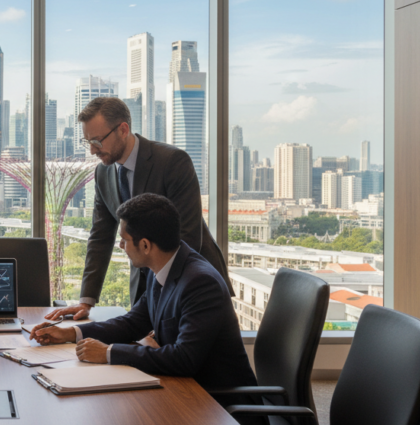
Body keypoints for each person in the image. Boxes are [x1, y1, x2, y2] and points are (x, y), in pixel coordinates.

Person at [30, 194, 261, 423]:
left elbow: (184, 358)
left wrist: (108, 352)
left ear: (145, 245)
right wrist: (70, 334)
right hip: (185, 392)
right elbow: (132, 323)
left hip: (219, 407)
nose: (120, 246)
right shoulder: (160, 269)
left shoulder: (200, 283)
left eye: (123, 239)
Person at [47, 97, 230, 322]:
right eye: (88, 142)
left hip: (192, 283)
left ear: (123, 129)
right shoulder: (103, 173)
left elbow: (187, 236)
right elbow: (100, 236)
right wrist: (86, 301)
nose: (93, 150)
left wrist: (163, 300)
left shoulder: (172, 161)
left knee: (183, 356)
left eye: (97, 141)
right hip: (145, 289)